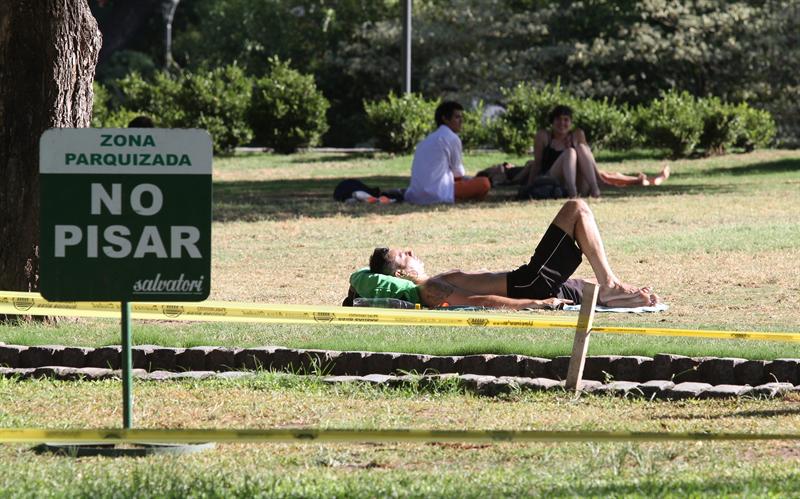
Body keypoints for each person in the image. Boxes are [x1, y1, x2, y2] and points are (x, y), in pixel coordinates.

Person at [367, 199, 659, 310]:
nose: (411, 251)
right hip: (527, 285)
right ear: (402, 273)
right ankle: (610, 284)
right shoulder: (429, 288)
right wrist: (533, 303)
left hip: (525, 281)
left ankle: (609, 292)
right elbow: (477, 301)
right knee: (576, 209)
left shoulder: (434, 280)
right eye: (403, 255)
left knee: (587, 288)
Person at [509, 105, 670, 197]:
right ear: (552, 121)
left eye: (566, 120)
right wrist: (529, 186)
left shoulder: (576, 135)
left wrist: (598, 178)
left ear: (571, 122)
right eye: (558, 119)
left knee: (580, 149)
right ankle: (574, 192)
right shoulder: (544, 136)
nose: (562, 123)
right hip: (554, 179)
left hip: (581, 179)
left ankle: (595, 188)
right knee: (571, 153)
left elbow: (588, 159)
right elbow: (537, 164)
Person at [404, 101, 491, 205]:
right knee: (484, 183)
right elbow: (458, 172)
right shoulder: (452, 137)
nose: (461, 121)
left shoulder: (426, 140)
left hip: (415, 196)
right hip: (438, 193)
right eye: (457, 117)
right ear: (445, 118)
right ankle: (463, 200)